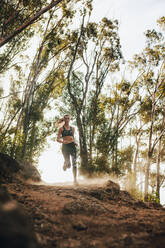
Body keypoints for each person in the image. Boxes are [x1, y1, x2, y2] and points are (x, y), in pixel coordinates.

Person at [57, 114, 78, 186]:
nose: (67, 120)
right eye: (65, 118)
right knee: (68, 165)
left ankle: (75, 180)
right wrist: (63, 141)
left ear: (69, 119)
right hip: (65, 147)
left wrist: (74, 142)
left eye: (68, 118)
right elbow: (58, 139)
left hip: (72, 146)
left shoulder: (73, 128)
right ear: (64, 119)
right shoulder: (61, 129)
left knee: (74, 163)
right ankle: (65, 163)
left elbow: (72, 137)